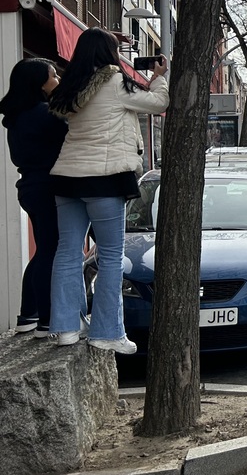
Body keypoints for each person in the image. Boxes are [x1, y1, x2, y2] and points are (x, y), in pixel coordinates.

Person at [47, 29, 169, 354]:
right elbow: (159, 102)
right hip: (104, 179)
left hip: (67, 178)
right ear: (109, 56)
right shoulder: (116, 83)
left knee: (68, 251)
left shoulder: (71, 84)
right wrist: (158, 76)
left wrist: (106, 37)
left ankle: (65, 328)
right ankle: (106, 332)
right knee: (112, 256)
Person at [0, 58, 67, 337]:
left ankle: (29, 314)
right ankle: (47, 320)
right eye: (54, 76)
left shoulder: (17, 117)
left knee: (43, 252)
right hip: (48, 188)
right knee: (50, 252)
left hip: (29, 188)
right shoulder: (44, 113)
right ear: (41, 83)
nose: (58, 80)